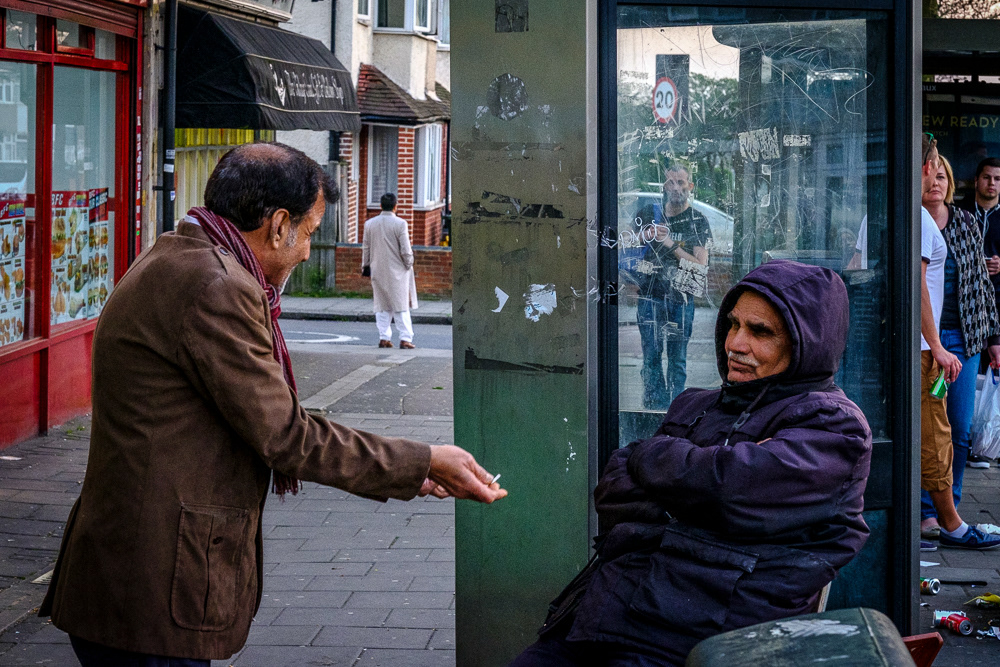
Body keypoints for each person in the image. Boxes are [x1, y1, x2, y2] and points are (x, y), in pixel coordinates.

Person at [38, 143, 506, 666]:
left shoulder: (184, 253)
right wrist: (422, 459)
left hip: (132, 575)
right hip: (152, 584)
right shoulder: (215, 286)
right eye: (309, 234)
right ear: (278, 224)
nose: (308, 251)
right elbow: (285, 435)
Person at [511, 260, 872, 666]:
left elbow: (729, 489)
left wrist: (654, 461)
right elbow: (613, 489)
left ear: (808, 342)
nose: (735, 343)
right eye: (733, 325)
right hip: (604, 614)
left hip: (700, 635)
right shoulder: (697, 405)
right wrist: (697, 493)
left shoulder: (833, 425)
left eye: (760, 332)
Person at [918, 151, 1000, 547]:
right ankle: (926, 514)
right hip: (929, 342)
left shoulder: (966, 222)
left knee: (960, 429)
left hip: (963, 339)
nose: (936, 184)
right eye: (930, 177)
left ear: (950, 186)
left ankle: (951, 506)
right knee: (929, 427)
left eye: (943, 179)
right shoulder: (911, 220)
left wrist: (993, 339)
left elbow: (982, 285)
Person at [634, 163, 712, 409]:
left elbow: (700, 265)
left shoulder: (697, 220)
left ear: (690, 187)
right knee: (651, 358)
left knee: (677, 360)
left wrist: (669, 244)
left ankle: (675, 413)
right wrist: (643, 236)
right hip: (649, 296)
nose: (676, 188)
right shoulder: (649, 213)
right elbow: (622, 243)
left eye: (681, 183)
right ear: (664, 186)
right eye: (671, 182)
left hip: (681, 299)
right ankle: (653, 410)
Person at [963, 157, 1000, 467]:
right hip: (968, 304)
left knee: (995, 373)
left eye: (997, 178)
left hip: (998, 301)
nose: (992, 183)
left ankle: (989, 443)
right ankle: (971, 443)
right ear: (976, 180)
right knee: (971, 375)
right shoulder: (961, 213)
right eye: (987, 177)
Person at [362, 192, 418, 349]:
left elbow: (366, 247)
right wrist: (409, 263)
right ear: (395, 206)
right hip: (398, 270)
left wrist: (366, 266)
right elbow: (406, 250)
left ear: (380, 206)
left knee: (382, 305)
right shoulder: (400, 224)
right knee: (401, 306)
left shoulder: (369, 224)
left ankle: (384, 337)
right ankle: (405, 338)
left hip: (378, 269)